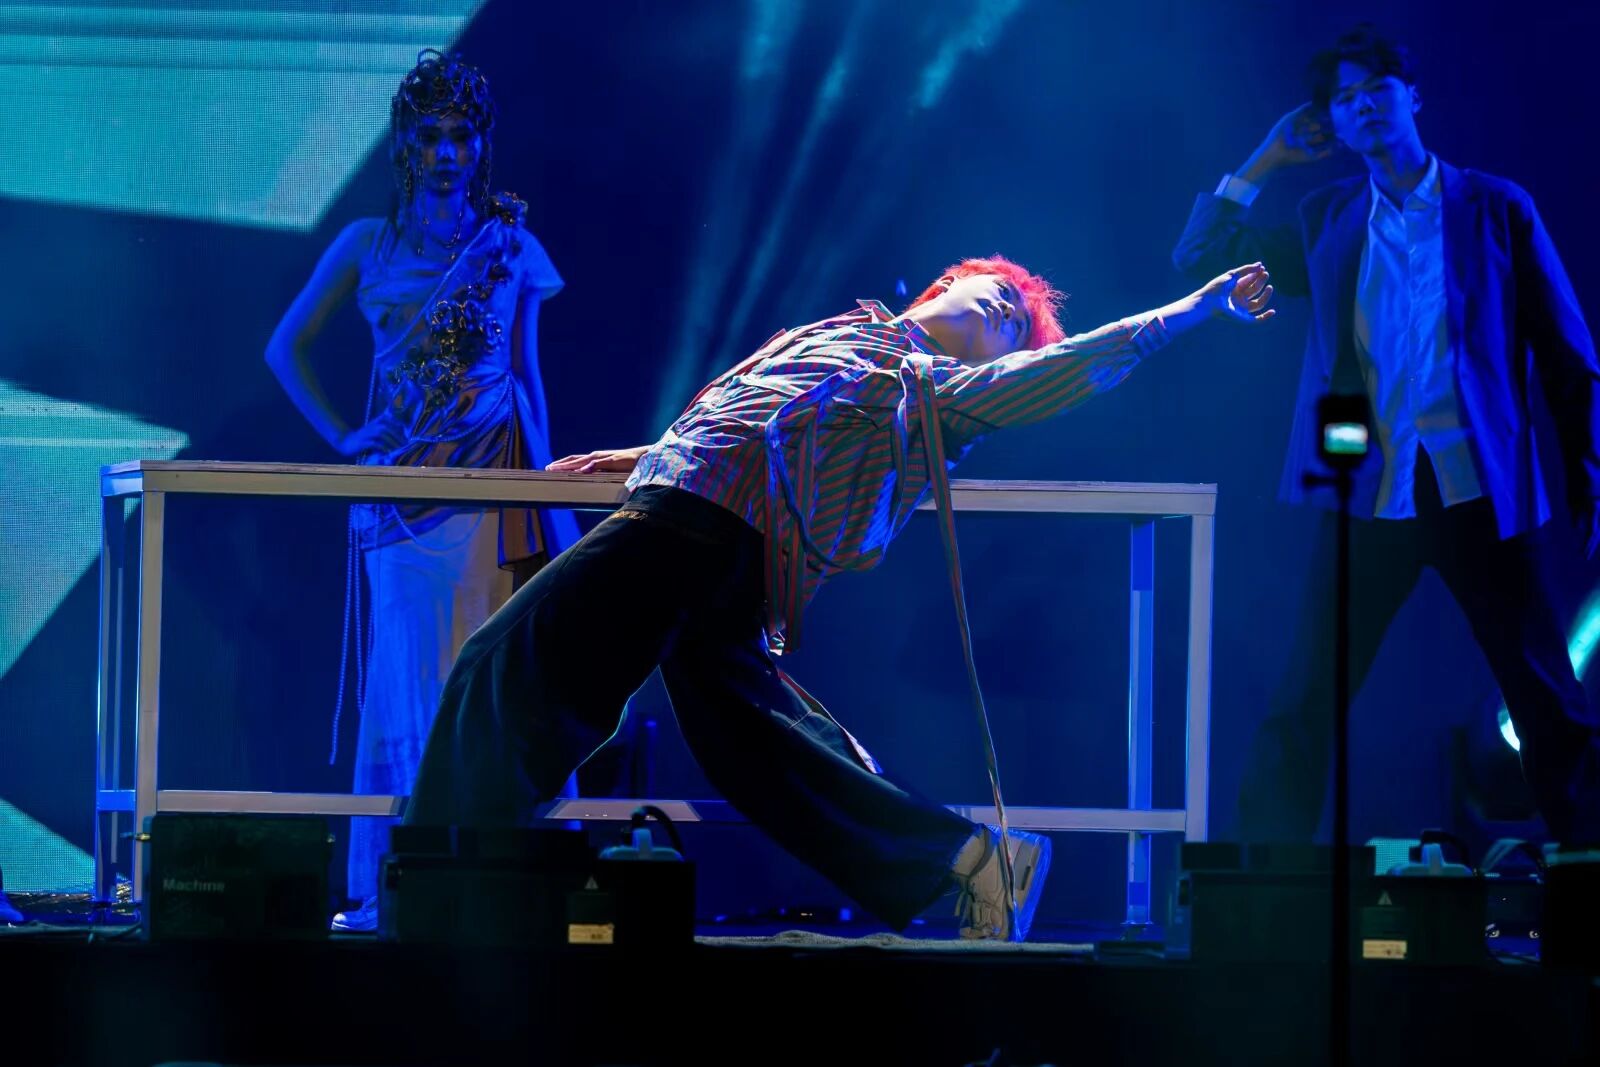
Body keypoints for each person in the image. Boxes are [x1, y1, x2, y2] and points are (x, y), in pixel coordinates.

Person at [401, 252, 1275, 941]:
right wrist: (642, 455)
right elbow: (754, 413)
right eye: (1002, 293)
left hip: (702, 526)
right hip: (706, 524)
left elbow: (1075, 367)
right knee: (761, 750)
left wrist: (1194, 309)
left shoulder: (931, 389)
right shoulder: (845, 331)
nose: (1008, 312)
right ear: (945, 284)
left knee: (504, 664)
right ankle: (971, 858)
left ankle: (453, 895)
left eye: (1018, 326)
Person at [1172, 25, 1600, 845]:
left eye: (1376, 90)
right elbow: (1200, 259)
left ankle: (1590, 857)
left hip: (1478, 490)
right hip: (1367, 490)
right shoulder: (1326, 217)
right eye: (1344, 100)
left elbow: (1568, 355)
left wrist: (1589, 478)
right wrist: (1266, 159)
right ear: (1331, 123)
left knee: (1545, 695)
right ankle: (1266, 879)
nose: (1363, 107)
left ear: (1413, 97)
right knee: (1310, 690)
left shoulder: (1495, 207)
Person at [264, 49, 581, 930]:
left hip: (491, 491)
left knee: (488, 678)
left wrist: (550, 503)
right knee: (407, 679)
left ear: (482, 144)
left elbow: (526, 380)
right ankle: (402, 885)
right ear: (407, 142)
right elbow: (284, 347)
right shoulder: (365, 244)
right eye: (432, 134)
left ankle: (495, 883)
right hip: (401, 500)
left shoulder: (508, 247)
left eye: (462, 135)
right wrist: (343, 438)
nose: (447, 152)